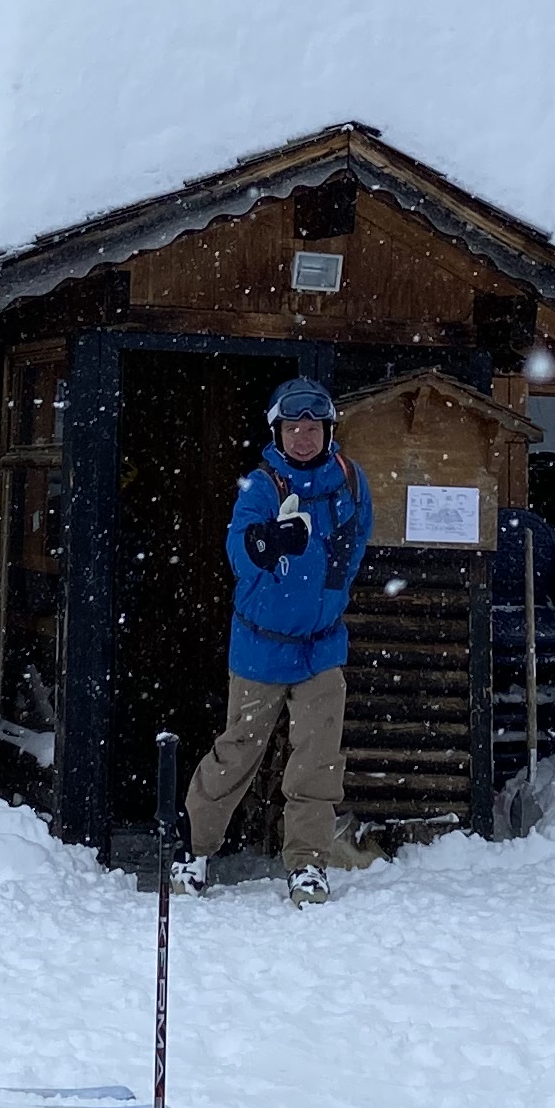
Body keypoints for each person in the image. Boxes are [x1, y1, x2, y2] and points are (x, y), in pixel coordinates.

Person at [179, 376, 376, 903]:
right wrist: (266, 543)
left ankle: (307, 864)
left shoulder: (351, 481)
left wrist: (330, 582)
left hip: (322, 647)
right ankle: (193, 851)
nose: (303, 438)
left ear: (327, 431)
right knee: (237, 752)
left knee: (318, 760)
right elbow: (238, 551)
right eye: (293, 429)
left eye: (312, 428)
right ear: (278, 433)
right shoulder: (262, 485)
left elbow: (358, 541)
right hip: (261, 646)